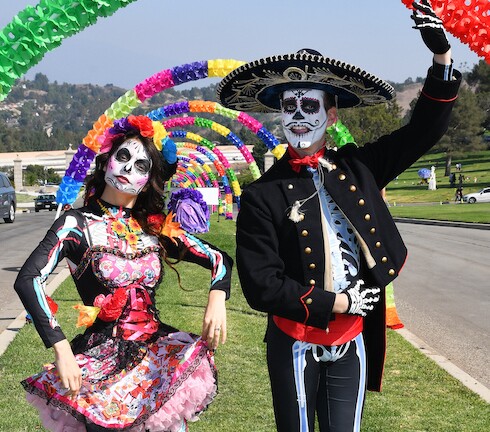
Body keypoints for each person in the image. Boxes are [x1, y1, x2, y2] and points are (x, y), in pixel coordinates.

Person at [216, 1, 460, 431]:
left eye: (309, 106)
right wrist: (340, 303)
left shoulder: (358, 167)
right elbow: (261, 285)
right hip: (294, 341)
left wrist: (442, 59)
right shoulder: (261, 195)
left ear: (330, 115)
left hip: (352, 341)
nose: (297, 116)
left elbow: (422, 131)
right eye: (289, 106)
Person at [14, 115, 233, 432]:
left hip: (157, 363)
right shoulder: (76, 224)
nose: (130, 168)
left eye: (142, 165)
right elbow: (29, 278)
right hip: (100, 367)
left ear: (149, 178)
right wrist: (61, 348)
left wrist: (216, 298)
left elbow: (219, 258)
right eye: (124, 156)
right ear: (106, 162)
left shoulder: (154, 227)